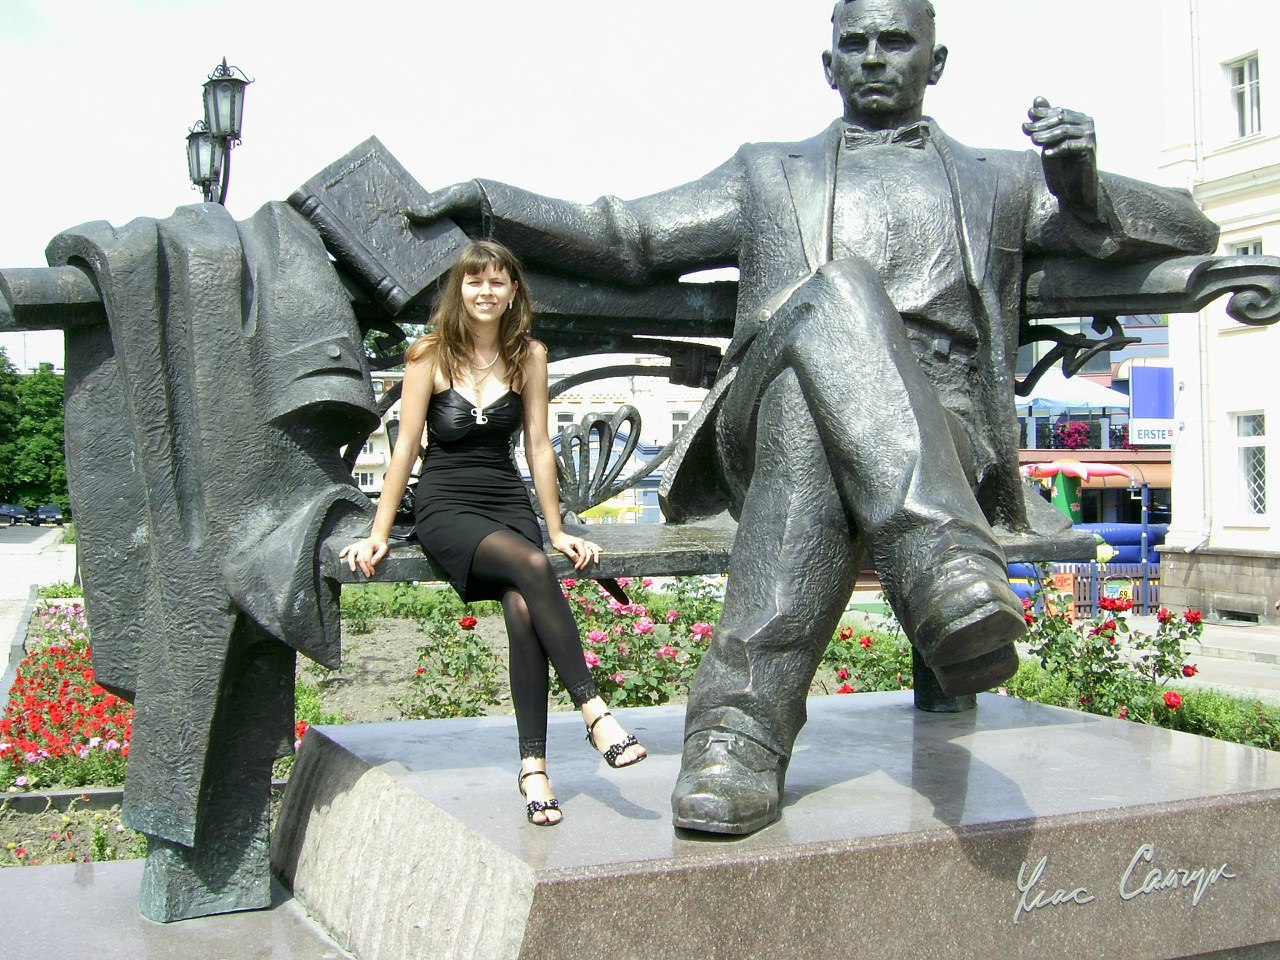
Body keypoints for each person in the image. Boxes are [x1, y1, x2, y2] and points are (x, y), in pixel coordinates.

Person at [406, 0, 1218, 834]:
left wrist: (1081, 185)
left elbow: (1192, 225)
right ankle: (943, 566)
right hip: (762, 418)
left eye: (895, 41)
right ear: (829, 66)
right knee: (836, 296)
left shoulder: (1004, 181)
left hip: (939, 432)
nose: (874, 57)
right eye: (854, 43)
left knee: (813, 419)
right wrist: (491, 206)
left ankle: (737, 734)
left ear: (936, 63)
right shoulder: (768, 173)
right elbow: (629, 236)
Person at [341, 239, 647, 827]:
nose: (486, 291)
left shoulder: (529, 355)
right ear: (460, 290)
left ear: (513, 292)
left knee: (523, 608)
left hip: (507, 501)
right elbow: (405, 447)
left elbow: (538, 446)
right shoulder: (428, 354)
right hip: (446, 505)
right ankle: (595, 711)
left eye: (497, 281)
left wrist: (556, 529)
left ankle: (534, 770)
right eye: (474, 280)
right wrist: (380, 530)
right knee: (530, 567)